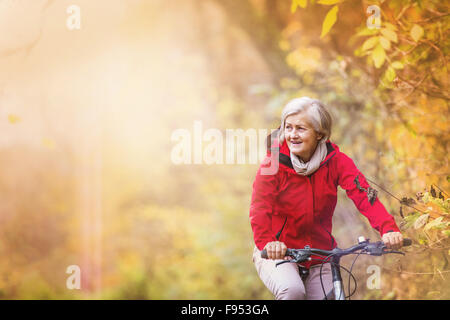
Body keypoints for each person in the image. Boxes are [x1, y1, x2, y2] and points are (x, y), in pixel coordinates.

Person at [249, 97, 403, 300]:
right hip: (277, 251)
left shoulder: (337, 161)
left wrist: (388, 229)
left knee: (332, 296)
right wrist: (268, 242)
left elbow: (364, 195)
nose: (292, 135)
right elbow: (259, 209)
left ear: (319, 134)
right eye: (288, 128)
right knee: (293, 291)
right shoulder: (272, 164)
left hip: (320, 254)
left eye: (301, 129)